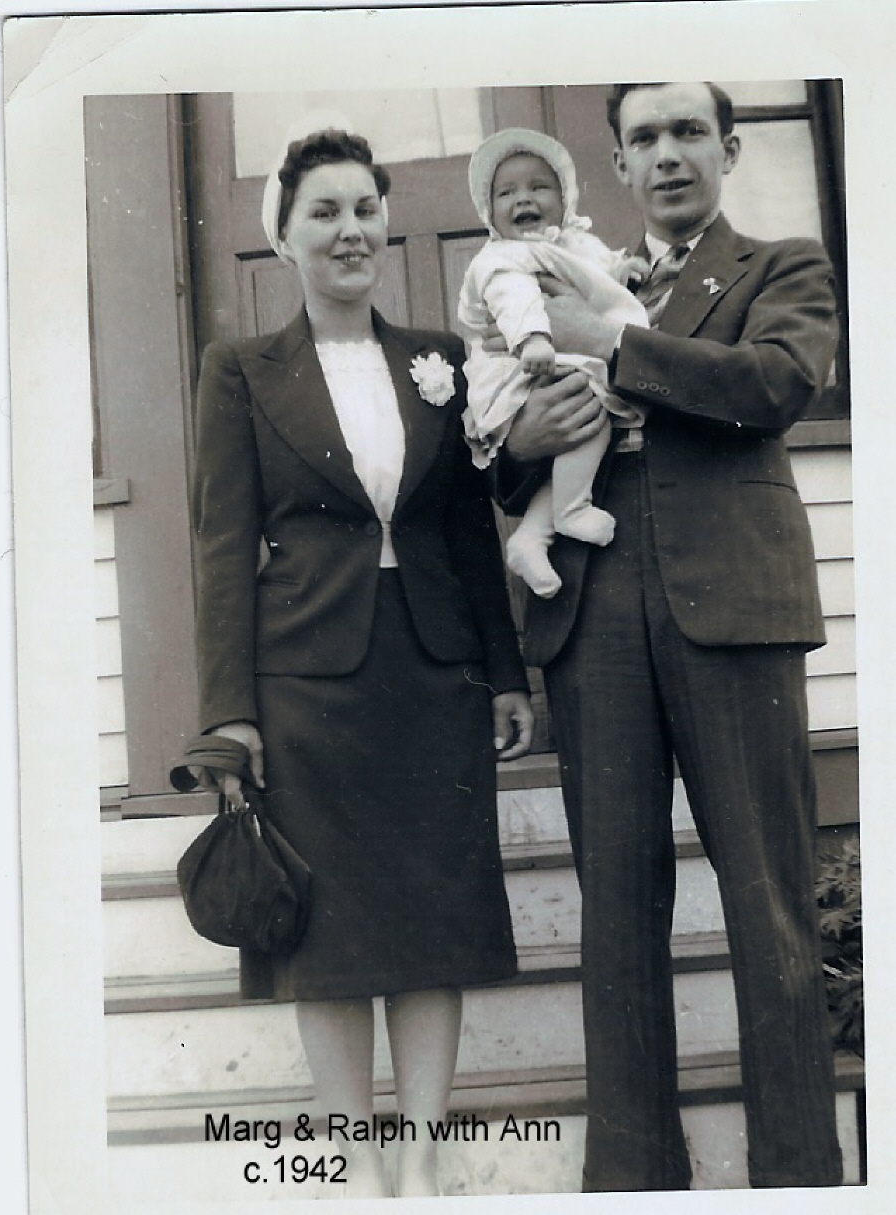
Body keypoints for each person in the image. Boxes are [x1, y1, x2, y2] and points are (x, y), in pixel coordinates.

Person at [494, 82, 844, 1191]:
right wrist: (528, 435)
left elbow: (779, 383)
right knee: (616, 912)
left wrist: (619, 345)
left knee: (769, 902)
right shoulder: (568, 269)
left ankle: (796, 1178)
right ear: (620, 164)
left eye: (688, 132)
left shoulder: (780, 265)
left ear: (728, 148)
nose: (668, 155)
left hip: (734, 612)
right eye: (643, 138)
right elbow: (512, 450)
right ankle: (635, 1182)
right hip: (593, 609)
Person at [192, 128, 533, 1199]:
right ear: (285, 238)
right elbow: (217, 543)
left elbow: (469, 530)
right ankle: (354, 1169)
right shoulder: (242, 370)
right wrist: (229, 712)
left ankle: (423, 1166)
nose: (351, 229)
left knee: (435, 920)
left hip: (434, 674)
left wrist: (508, 672)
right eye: (324, 212)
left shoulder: (437, 359)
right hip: (305, 686)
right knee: (324, 929)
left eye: (364, 208)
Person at [458, 128, 648, 599]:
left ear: (566, 199)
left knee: (584, 421)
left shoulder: (572, 245)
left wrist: (620, 270)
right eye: (507, 192)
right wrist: (534, 337)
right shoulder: (501, 257)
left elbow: (594, 272)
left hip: (555, 360)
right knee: (589, 405)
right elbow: (513, 295)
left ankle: (532, 535)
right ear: (490, 212)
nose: (524, 198)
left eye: (539, 186)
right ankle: (570, 511)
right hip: (520, 366)